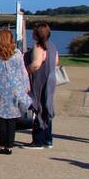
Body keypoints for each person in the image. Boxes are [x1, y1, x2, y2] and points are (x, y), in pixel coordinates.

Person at [0, 27, 32, 154]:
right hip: (16, 90)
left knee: (0, 118)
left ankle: (2, 145)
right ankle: (10, 146)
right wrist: (26, 87)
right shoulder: (17, 54)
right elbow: (23, 72)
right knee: (12, 119)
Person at [26, 22, 59, 150]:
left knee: (37, 106)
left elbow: (36, 64)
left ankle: (38, 140)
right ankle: (48, 139)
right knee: (47, 106)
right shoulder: (52, 46)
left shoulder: (39, 47)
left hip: (40, 80)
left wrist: (24, 71)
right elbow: (56, 61)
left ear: (37, 34)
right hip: (50, 78)